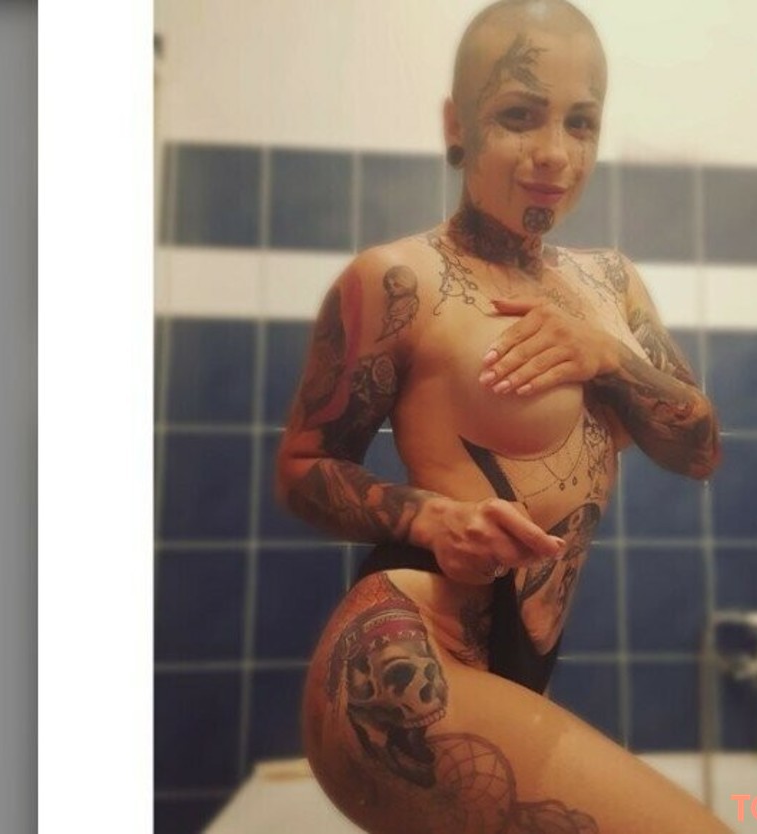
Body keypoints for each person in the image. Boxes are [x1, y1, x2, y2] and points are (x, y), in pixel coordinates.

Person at [275, 1, 728, 830]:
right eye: (520, 116)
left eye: (580, 123)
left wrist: (608, 356)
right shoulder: (397, 281)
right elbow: (302, 469)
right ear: (458, 125)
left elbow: (698, 449)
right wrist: (434, 518)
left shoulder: (613, 285)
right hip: (404, 670)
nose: (555, 153)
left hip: (512, 676)